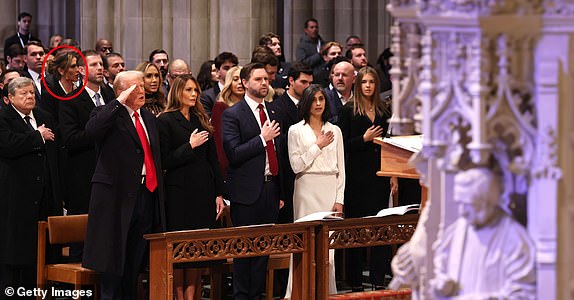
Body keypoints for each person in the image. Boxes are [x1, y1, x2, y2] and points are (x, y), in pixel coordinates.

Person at [82, 70, 165, 299]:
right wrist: (118, 102)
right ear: (120, 92)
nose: (142, 90)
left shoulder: (148, 117)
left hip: (146, 193)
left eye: (142, 86)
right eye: (134, 87)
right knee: (113, 259)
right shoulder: (106, 114)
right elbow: (91, 131)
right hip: (116, 197)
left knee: (135, 260)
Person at [158, 74, 225, 299]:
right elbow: (164, 160)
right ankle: (179, 296)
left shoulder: (200, 119)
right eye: (188, 90)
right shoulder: (165, 120)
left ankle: (193, 296)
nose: (194, 94)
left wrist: (218, 193)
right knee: (180, 248)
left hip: (203, 191)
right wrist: (189, 145)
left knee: (198, 248)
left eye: (195, 90)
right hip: (179, 192)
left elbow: (213, 159)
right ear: (177, 92)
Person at [221, 62, 284, 299]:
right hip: (246, 192)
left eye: (266, 79)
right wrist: (261, 138)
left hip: (270, 188)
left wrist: (281, 192)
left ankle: (257, 295)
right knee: (244, 250)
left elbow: (280, 152)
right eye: (258, 79)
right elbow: (233, 153)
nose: (264, 83)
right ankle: (241, 296)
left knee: (263, 251)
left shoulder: (273, 111)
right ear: (245, 83)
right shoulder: (232, 114)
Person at [432, 168, 536, 299]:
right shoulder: (457, 232)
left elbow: (523, 292)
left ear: (488, 202)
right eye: (460, 203)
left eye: (469, 205)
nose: (462, 211)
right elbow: (441, 269)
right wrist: (442, 286)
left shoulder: (514, 239)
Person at [338, 66, 397, 291]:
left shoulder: (383, 111)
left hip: (379, 175)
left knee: (380, 228)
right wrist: (363, 138)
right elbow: (342, 145)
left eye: (372, 82)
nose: (368, 86)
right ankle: (355, 282)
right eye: (364, 82)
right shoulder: (348, 110)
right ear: (358, 84)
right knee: (357, 230)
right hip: (356, 177)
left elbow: (388, 145)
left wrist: (393, 175)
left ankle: (377, 279)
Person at [0, 77, 61, 292]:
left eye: (32, 93)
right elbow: (8, 145)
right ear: (9, 98)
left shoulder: (45, 117)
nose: (29, 97)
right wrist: (37, 136)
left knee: (43, 251)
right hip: (17, 195)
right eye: (24, 94)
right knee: (17, 253)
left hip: (45, 193)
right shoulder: (4, 118)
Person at [285, 84, 345, 297]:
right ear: (307, 103)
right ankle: (299, 291)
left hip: (329, 188)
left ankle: (326, 291)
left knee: (329, 250)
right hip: (306, 188)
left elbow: (341, 169)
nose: (319, 104)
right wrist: (317, 145)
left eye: (322, 99)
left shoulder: (335, 130)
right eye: (314, 100)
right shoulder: (295, 130)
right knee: (305, 243)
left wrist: (340, 199)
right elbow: (296, 166)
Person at [59, 50, 114, 217]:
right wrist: (99, 130)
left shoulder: (110, 95)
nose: (99, 68)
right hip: (85, 174)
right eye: (93, 65)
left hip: (112, 170)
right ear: (82, 70)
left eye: (101, 65)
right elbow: (70, 139)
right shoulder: (71, 100)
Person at [210, 65, 243, 179]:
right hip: (228, 168)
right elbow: (219, 143)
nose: (239, 83)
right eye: (235, 79)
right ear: (229, 82)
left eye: (242, 79)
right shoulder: (221, 107)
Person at [40, 50, 81, 124]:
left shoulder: (77, 89)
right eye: (73, 66)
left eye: (77, 66)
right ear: (61, 71)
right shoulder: (50, 91)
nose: (77, 70)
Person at [200, 52, 238, 116]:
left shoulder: (242, 92)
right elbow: (207, 121)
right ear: (217, 72)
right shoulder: (207, 96)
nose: (231, 71)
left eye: (233, 68)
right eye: (226, 68)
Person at [325, 57, 355, 124]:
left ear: (353, 79)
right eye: (337, 75)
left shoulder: (360, 97)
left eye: (344, 75)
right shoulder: (324, 97)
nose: (340, 78)